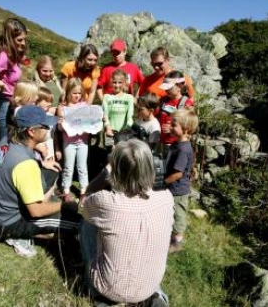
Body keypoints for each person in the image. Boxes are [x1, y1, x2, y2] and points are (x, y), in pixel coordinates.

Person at [79, 138, 173, 306]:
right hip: (150, 286)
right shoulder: (167, 198)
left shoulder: (106, 202)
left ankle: (97, 292)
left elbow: (83, 204)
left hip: (108, 288)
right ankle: (155, 293)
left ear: (115, 170)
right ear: (152, 167)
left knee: (87, 223)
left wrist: (105, 173)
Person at [0, 105, 81, 257]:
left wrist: (42, 163)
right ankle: (15, 236)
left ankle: (41, 201)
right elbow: (35, 211)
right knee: (78, 224)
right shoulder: (25, 165)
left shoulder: (7, 139)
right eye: (45, 126)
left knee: (52, 172)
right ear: (31, 131)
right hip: (10, 221)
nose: (49, 128)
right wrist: (64, 206)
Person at [163, 108, 198, 253]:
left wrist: (162, 183)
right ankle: (169, 235)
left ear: (186, 129)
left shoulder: (183, 149)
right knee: (171, 212)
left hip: (178, 189)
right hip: (172, 188)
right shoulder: (177, 144)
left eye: (174, 125)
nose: (170, 127)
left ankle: (177, 242)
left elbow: (178, 174)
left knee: (179, 215)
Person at [57, 78, 90, 202]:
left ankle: (83, 191)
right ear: (68, 92)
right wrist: (60, 124)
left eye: (79, 93)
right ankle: (66, 190)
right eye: (74, 93)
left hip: (83, 142)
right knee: (68, 167)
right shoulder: (63, 107)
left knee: (82, 167)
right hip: (69, 142)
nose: (77, 96)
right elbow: (60, 128)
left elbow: (90, 124)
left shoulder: (85, 106)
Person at [157, 70, 195, 155]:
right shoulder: (163, 100)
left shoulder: (187, 103)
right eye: (165, 88)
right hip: (161, 143)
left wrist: (171, 128)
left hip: (177, 146)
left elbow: (190, 126)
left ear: (179, 86)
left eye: (169, 88)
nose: (166, 90)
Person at [102, 69, 135, 148]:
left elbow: (130, 116)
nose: (117, 85)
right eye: (114, 82)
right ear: (111, 82)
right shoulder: (106, 97)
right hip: (109, 132)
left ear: (125, 83)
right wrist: (108, 128)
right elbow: (105, 115)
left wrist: (126, 129)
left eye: (120, 82)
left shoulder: (129, 98)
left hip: (123, 133)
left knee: (122, 155)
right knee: (110, 155)